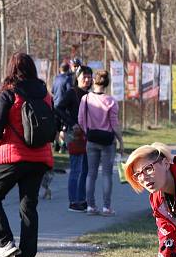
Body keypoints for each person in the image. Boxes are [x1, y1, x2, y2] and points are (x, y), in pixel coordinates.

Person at [0, 52, 54, 257]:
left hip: (12, 156)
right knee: (28, 207)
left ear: (11, 69)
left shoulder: (9, 94)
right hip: (40, 157)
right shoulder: (46, 95)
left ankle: (4, 242)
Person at [78, 70, 124, 216]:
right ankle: (106, 207)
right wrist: (120, 140)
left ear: (94, 81)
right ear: (107, 83)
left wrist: (87, 131)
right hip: (107, 141)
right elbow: (114, 123)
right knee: (106, 174)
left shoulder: (85, 99)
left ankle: (90, 206)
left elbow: (80, 119)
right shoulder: (111, 101)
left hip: (91, 139)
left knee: (91, 174)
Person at [65, 66, 93, 213]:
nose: (87, 79)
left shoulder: (90, 95)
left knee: (86, 170)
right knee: (76, 169)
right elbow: (58, 109)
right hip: (75, 135)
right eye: (84, 76)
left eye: (89, 77)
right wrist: (71, 124)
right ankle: (73, 201)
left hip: (88, 135)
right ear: (78, 77)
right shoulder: (71, 93)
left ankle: (82, 199)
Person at [51, 62, 74, 153]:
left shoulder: (56, 78)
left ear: (60, 69)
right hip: (64, 107)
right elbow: (69, 91)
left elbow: (52, 91)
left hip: (55, 105)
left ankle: (57, 143)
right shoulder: (68, 79)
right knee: (63, 127)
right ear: (68, 69)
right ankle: (63, 144)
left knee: (56, 127)